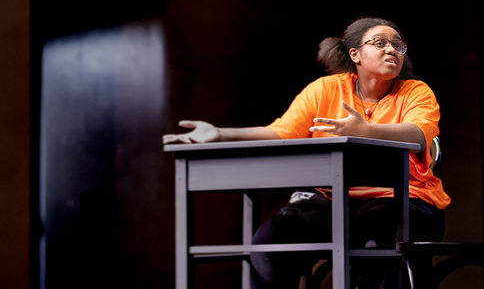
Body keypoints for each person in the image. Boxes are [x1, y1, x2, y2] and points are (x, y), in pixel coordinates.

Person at [163, 16, 451, 288]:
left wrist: (366, 130)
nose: (392, 49)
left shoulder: (416, 91)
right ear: (355, 55)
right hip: (333, 200)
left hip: (404, 200)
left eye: (398, 45)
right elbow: (282, 131)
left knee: (371, 236)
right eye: (380, 42)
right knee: (270, 243)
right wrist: (220, 133)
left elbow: (419, 133)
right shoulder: (324, 89)